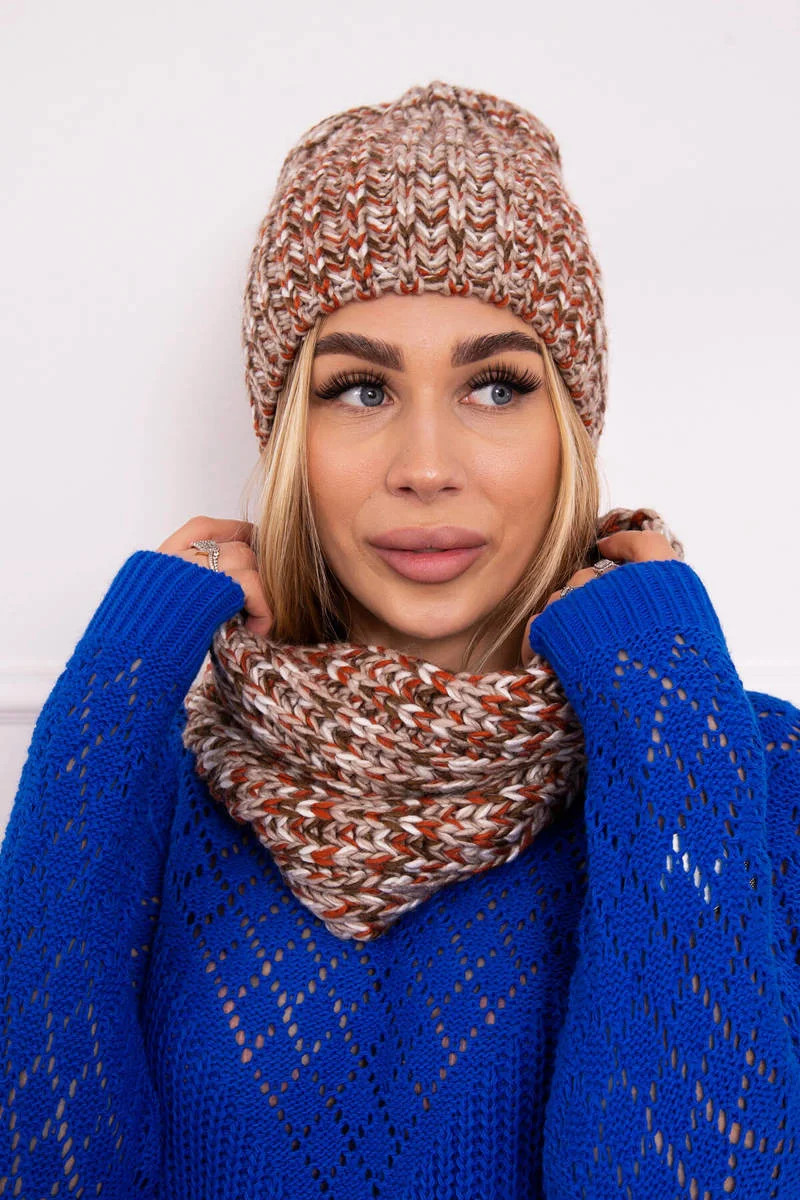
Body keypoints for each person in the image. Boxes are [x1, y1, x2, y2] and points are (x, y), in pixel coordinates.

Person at [2, 79, 799, 1200]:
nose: (426, 465)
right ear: (287, 436)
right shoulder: (156, 791)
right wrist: (116, 683)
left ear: (571, 427)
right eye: (360, 389)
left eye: (496, 386)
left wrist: (662, 704)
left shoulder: (738, 770)